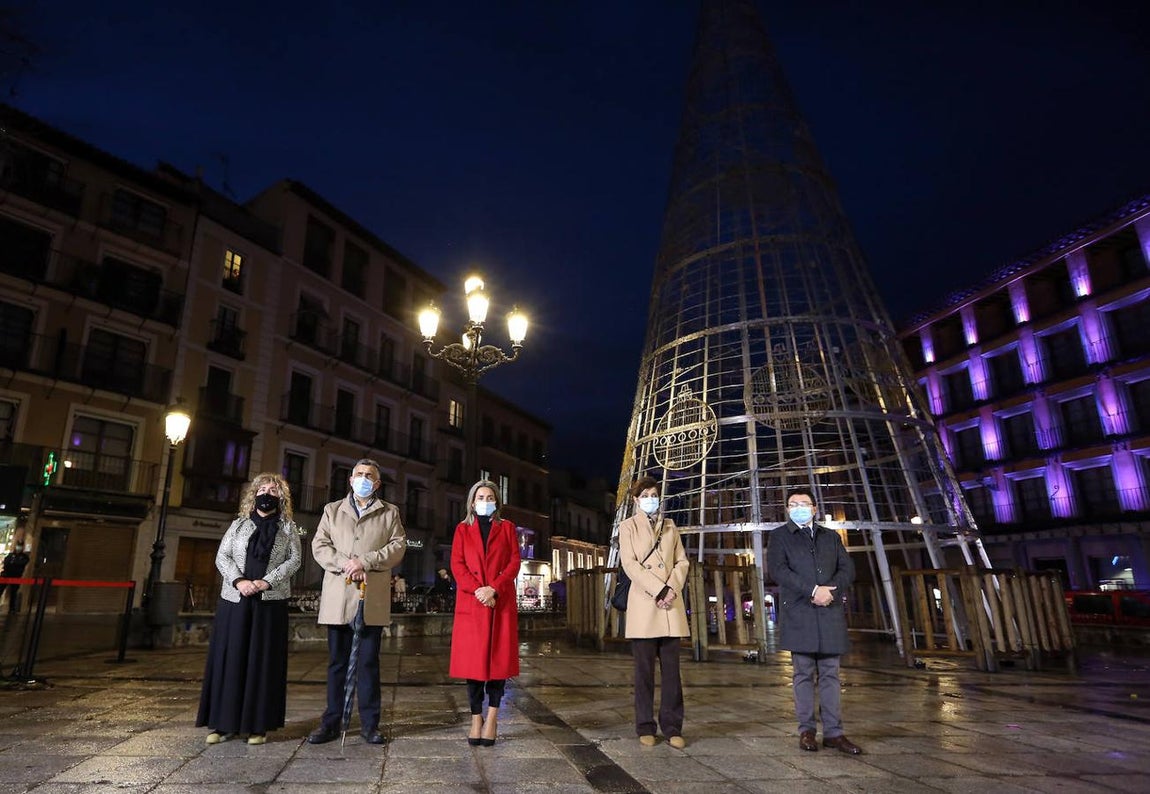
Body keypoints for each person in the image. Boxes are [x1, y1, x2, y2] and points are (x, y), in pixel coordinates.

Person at [196, 473, 302, 745]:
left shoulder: (288, 528)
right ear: (254, 494)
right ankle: (222, 724)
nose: (268, 493)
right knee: (229, 658)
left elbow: (294, 561)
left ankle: (258, 726)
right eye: (263, 489)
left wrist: (267, 581)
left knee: (262, 661)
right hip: (235, 598)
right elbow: (223, 556)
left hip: (270, 601)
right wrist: (240, 581)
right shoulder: (238, 525)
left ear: (281, 497)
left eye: (274, 490)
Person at [308, 458, 406, 746]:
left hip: (370, 599)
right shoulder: (332, 510)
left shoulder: (389, 512)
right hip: (339, 598)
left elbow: (398, 545)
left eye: (370, 476)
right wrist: (345, 564)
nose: (364, 478)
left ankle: (370, 725)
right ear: (351, 480)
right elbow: (319, 545)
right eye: (359, 474)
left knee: (367, 664)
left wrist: (365, 561)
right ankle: (331, 722)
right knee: (337, 663)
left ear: (377, 484)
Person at [766, 487, 862, 755]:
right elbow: (778, 570)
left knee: (831, 674)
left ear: (815, 508)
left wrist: (830, 589)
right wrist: (812, 590)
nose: (798, 507)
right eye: (792, 504)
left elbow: (847, 568)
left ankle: (834, 733)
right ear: (787, 509)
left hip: (829, 611)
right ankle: (806, 730)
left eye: (803, 503)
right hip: (800, 611)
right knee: (803, 674)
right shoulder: (779, 537)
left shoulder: (830, 537)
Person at [617, 476, 689, 749]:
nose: (650, 498)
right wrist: (659, 590)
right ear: (636, 500)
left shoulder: (670, 526)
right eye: (645, 494)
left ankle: (673, 727)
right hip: (645, 605)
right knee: (643, 672)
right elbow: (630, 564)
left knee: (672, 673)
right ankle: (645, 725)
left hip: (670, 606)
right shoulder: (627, 527)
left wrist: (671, 588)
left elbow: (682, 561)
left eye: (654, 494)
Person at [449, 480, 520, 747]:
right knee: (474, 665)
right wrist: (478, 590)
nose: (485, 500)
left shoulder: (508, 528)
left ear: (497, 502)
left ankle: (492, 717)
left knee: (498, 664)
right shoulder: (462, 529)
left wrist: (495, 589)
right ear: (472, 501)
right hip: (473, 604)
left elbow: (514, 562)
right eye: (480, 496)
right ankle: (475, 717)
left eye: (490, 496)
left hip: (499, 603)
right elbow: (457, 564)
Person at [1, 540, 31, 613]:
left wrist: (14, 562)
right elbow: (6, 563)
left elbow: (21, 563)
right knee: (0, 590)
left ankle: (12, 609)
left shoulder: (24, 557)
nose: (18, 548)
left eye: (20, 546)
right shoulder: (11, 555)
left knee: (13, 593)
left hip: (16, 577)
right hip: (6, 576)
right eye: (18, 546)